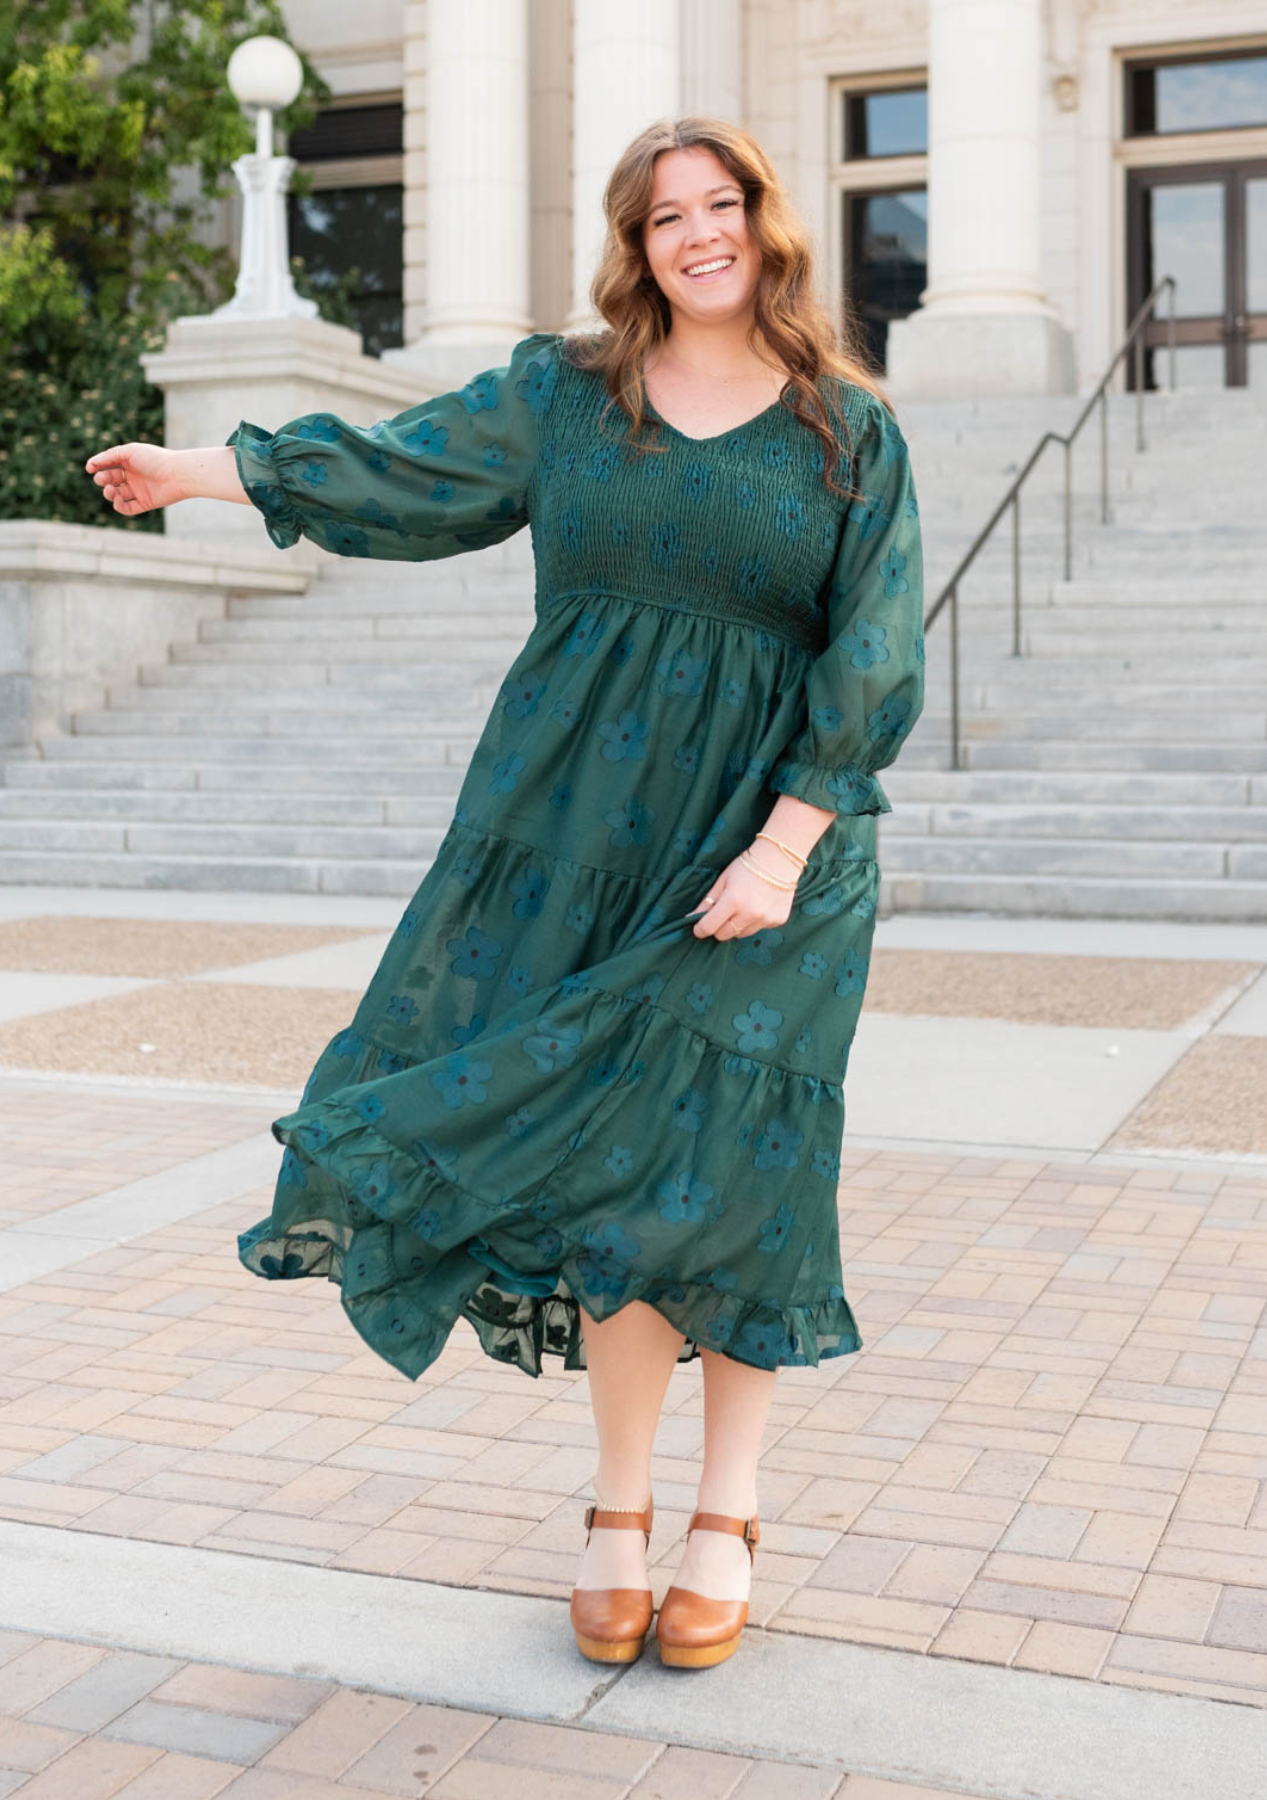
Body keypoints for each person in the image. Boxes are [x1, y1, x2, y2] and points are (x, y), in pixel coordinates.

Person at [85, 115, 925, 1671]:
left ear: (763, 222)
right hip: (581, 828)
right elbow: (407, 474)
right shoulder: (566, 395)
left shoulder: (844, 433)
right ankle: (617, 1507)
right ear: (635, 244)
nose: (698, 234)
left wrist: (785, 843)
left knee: (740, 1170)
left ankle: (724, 1515)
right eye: (666, 214)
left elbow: (873, 655)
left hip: (774, 856)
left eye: (720, 203)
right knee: (613, 1172)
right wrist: (205, 469)